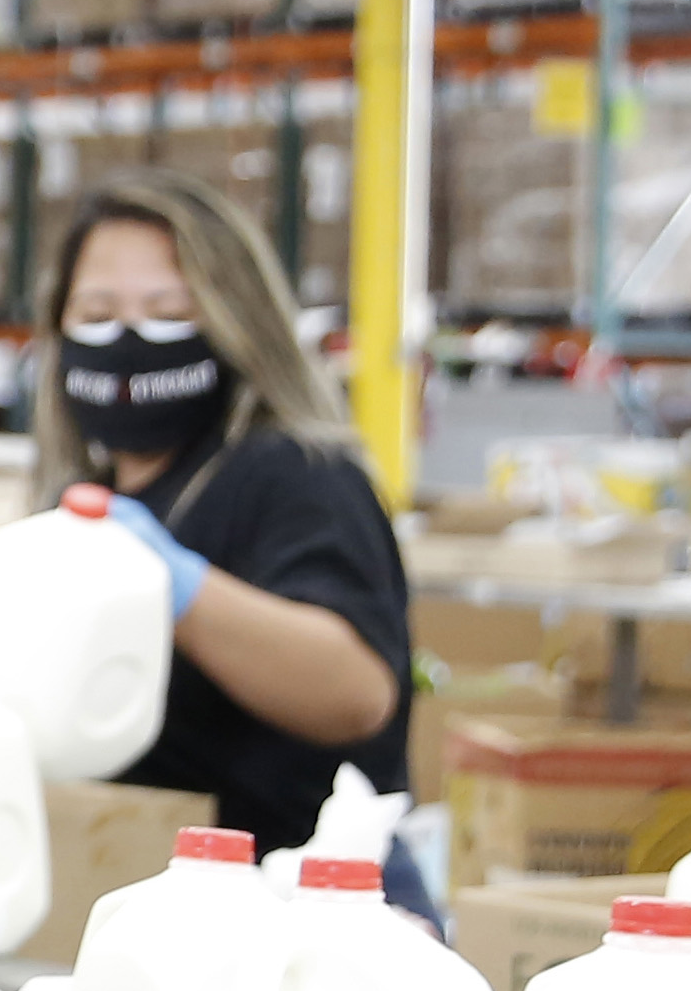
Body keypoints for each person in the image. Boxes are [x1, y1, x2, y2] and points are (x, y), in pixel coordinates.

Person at [37, 165, 413, 857]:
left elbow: (357, 692)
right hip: (126, 870)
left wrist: (174, 586)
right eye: (96, 315)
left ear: (237, 320)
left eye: (168, 313)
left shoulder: (295, 475)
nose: (128, 340)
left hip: (284, 891)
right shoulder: (98, 495)